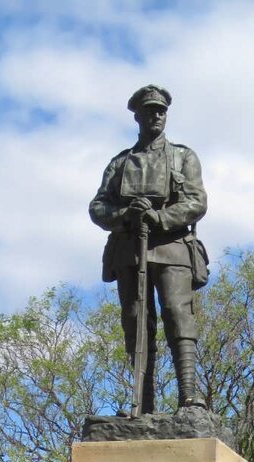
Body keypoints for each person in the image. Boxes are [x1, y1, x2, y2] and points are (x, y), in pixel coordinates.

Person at [89, 85, 208, 413]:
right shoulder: (120, 163)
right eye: (150, 111)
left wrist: (160, 217)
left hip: (172, 247)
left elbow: (197, 202)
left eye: (161, 111)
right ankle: (143, 403)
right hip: (130, 250)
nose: (156, 116)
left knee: (178, 315)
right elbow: (97, 207)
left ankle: (189, 395)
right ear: (137, 117)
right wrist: (126, 214)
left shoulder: (183, 157)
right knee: (136, 323)